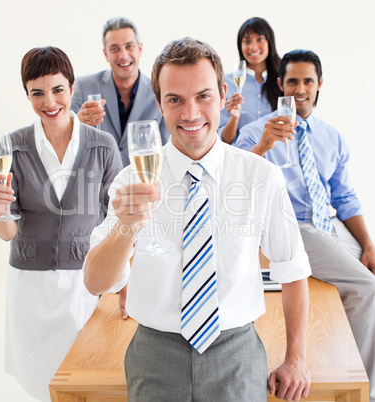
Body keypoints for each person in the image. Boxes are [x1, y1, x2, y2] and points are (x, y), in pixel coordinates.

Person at [84, 37, 312, 401]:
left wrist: (296, 359)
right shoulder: (132, 180)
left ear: (223, 95)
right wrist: (126, 227)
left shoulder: (260, 176)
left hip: (236, 354)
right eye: (175, 100)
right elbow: (96, 281)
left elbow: (292, 268)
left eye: (203, 96)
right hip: (154, 355)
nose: (190, 113)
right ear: (159, 104)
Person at [0, 46, 125, 401]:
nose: (49, 101)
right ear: (27, 94)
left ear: (72, 87)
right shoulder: (12, 146)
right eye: (37, 92)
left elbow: (119, 220)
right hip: (30, 288)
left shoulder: (102, 145)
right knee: (40, 381)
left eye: (58, 89)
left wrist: (125, 281)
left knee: (82, 379)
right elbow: (8, 233)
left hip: (85, 281)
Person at [236, 49, 375, 402]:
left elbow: (344, 198)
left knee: (368, 269)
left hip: (328, 224)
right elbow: (233, 185)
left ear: (319, 84)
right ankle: (364, 386)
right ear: (281, 84)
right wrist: (265, 146)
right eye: (293, 81)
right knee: (365, 287)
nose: (300, 88)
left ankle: (343, 360)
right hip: (292, 226)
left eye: (307, 81)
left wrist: (368, 244)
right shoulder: (256, 132)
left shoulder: (331, 137)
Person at [71, 16, 170, 166]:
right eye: (114, 49)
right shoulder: (82, 86)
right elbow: (63, 141)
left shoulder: (160, 90)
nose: (123, 56)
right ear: (106, 54)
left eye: (129, 46)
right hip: (97, 182)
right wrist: (76, 124)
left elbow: (167, 150)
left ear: (140, 49)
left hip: (143, 180)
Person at [219, 17, 281, 144]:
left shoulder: (282, 81)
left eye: (259, 39)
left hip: (276, 160)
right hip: (241, 158)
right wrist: (234, 118)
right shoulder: (228, 83)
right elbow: (225, 141)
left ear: (269, 42)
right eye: (247, 41)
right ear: (240, 46)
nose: (253, 47)